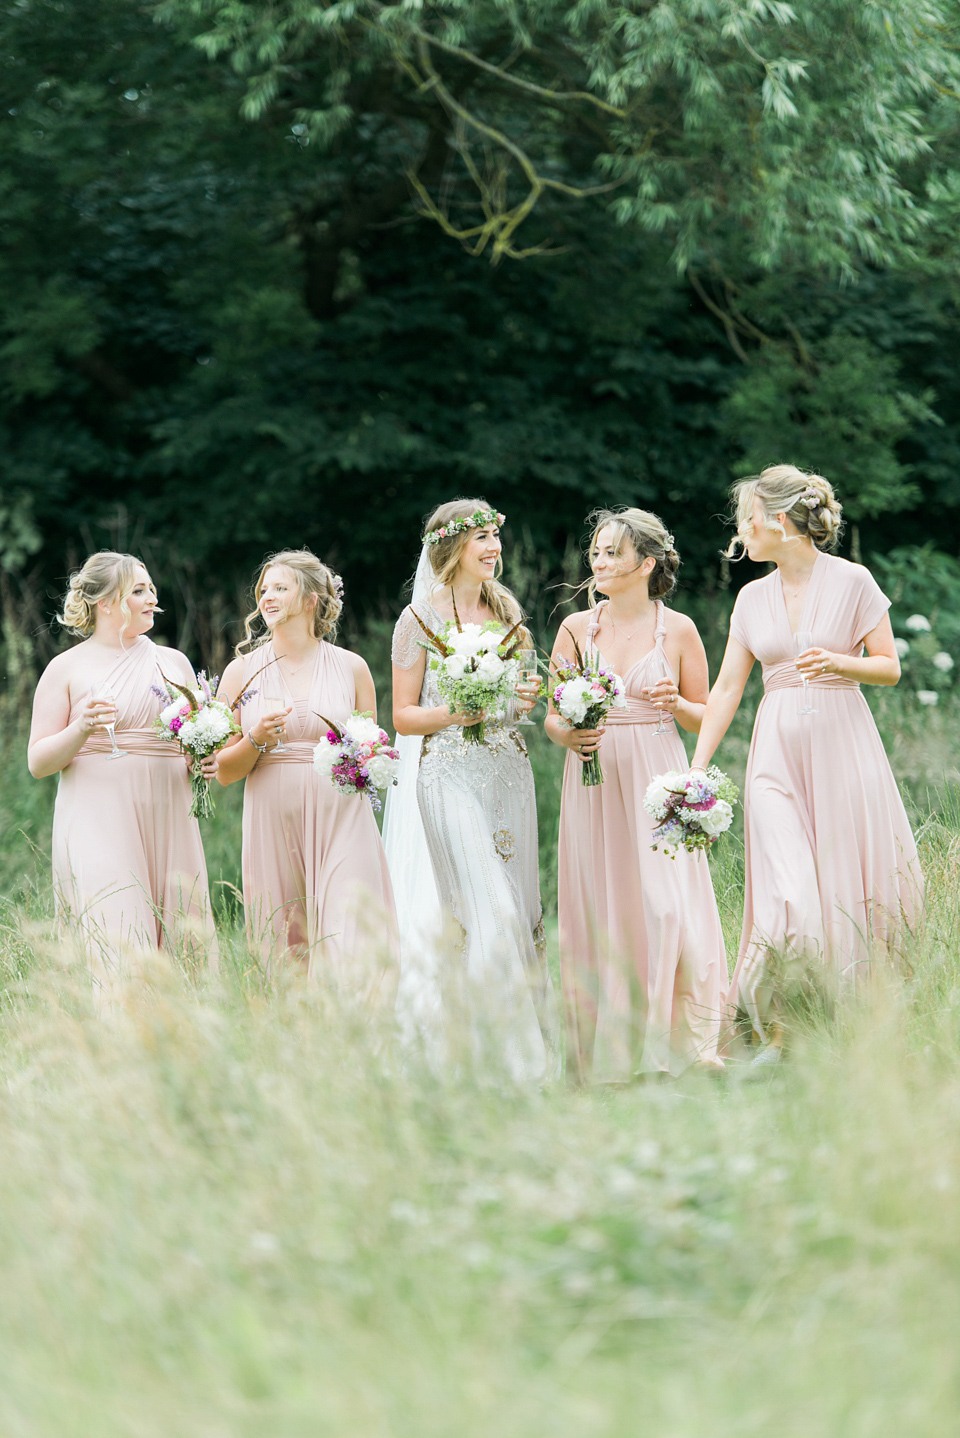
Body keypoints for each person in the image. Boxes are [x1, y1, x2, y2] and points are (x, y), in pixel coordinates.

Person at [689, 466, 923, 1063]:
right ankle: (771, 1024)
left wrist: (843, 664)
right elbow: (725, 693)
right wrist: (695, 768)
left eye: (747, 520)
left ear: (780, 522)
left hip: (843, 745)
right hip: (775, 755)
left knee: (844, 881)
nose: (740, 533)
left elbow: (890, 666)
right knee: (787, 888)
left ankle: (827, 1024)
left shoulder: (854, 581)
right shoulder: (750, 598)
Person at [546, 508, 727, 1082]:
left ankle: (687, 1046)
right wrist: (571, 734)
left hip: (657, 776)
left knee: (666, 905)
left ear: (645, 563)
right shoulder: (577, 629)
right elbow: (551, 716)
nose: (598, 562)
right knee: (604, 904)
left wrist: (676, 704)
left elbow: (706, 718)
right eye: (595, 552)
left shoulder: (677, 630)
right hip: (594, 780)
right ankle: (611, 1055)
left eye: (611, 553)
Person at [387, 499, 554, 1080]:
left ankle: (508, 1050)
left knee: (521, 907)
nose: (493, 547)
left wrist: (523, 700)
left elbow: (520, 699)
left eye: (495, 537)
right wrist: (454, 712)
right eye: (481, 537)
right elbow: (404, 716)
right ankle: (495, 1060)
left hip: (509, 772)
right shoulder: (419, 622)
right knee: (489, 907)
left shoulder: (510, 615)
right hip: (447, 774)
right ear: (451, 548)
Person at [28, 551, 216, 994]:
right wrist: (82, 727)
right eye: (139, 590)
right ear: (106, 602)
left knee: (180, 930)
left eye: (151, 588)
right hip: (99, 814)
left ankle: (183, 1044)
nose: (152, 598)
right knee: (117, 929)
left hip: (169, 811)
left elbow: (188, 738)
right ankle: (118, 1044)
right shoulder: (67, 667)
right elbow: (38, 762)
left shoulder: (175, 663)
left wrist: (201, 760)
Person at [216, 549, 397, 990]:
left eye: (281, 587)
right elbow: (222, 770)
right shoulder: (241, 672)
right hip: (272, 817)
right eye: (264, 589)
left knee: (352, 928)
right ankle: (296, 1046)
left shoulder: (352, 667)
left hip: (341, 814)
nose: (267, 597)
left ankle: (360, 1041)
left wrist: (367, 758)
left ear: (313, 599)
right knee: (285, 940)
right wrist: (256, 737)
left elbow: (372, 749)